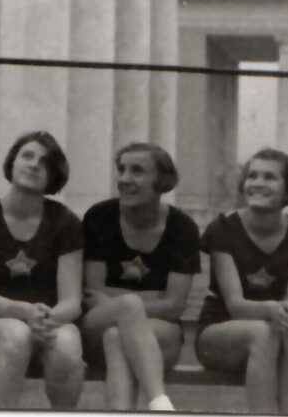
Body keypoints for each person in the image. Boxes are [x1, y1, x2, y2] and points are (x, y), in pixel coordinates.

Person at [195, 148, 288, 414]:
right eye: (252, 175)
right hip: (221, 334)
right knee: (264, 332)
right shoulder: (224, 229)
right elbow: (235, 306)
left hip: (277, 334)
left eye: (270, 177)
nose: (258, 183)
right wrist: (272, 310)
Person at [80, 142, 200, 411]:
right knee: (127, 310)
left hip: (160, 334)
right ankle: (159, 402)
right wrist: (140, 301)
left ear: (161, 180)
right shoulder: (100, 217)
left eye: (137, 171)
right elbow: (91, 293)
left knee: (117, 336)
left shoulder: (182, 228)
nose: (124, 179)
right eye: (121, 169)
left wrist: (119, 302)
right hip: (95, 328)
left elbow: (175, 306)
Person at [0, 130, 84, 409]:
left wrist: (44, 319)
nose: (34, 164)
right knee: (16, 335)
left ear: (53, 175)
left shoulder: (65, 221)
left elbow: (72, 302)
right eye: (27, 156)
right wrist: (25, 314)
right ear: (12, 162)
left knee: (68, 347)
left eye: (44, 162)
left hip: (50, 320)